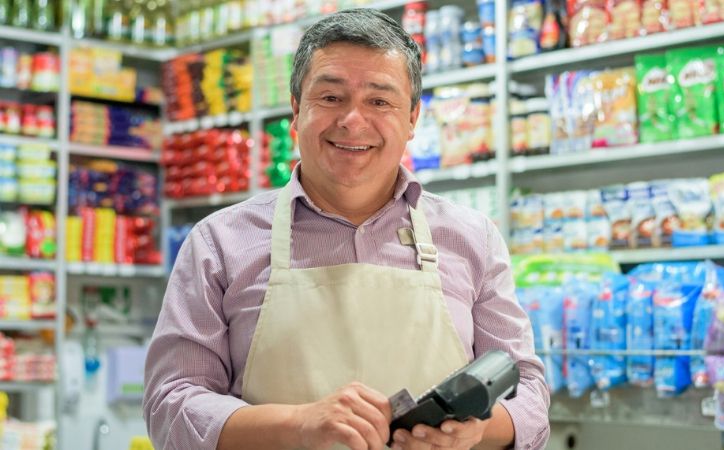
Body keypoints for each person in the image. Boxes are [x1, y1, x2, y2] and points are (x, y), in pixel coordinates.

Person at [143, 8, 550, 450]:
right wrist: (298, 425)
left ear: (412, 118)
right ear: (297, 110)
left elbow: (527, 390)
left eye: (379, 101)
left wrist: (474, 433)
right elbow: (170, 405)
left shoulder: (473, 239)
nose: (353, 120)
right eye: (332, 98)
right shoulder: (218, 243)